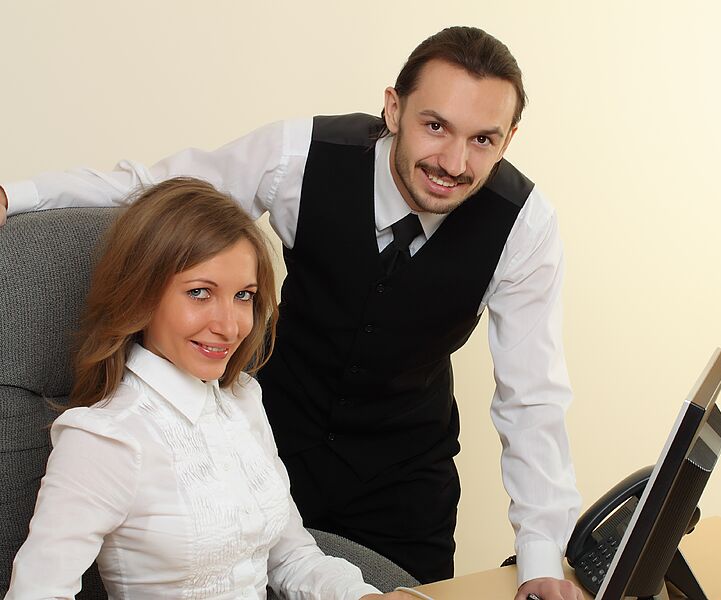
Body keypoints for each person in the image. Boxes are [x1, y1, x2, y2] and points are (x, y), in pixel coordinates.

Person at [1, 26, 583, 600]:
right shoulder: (299, 155)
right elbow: (157, 192)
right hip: (275, 443)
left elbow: (532, 399)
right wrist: (16, 196)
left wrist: (539, 560)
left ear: (508, 139)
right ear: (393, 108)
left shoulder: (525, 227)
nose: (454, 161)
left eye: (483, 139)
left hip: (402, 479)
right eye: (435, 126)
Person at [3, 178, 410, 600]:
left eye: (244, 296)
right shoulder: (105, 438)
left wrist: (365, 597)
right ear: (141, 293)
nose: (229, 326)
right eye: (199, 293)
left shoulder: (243, 400)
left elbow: (291, 557)